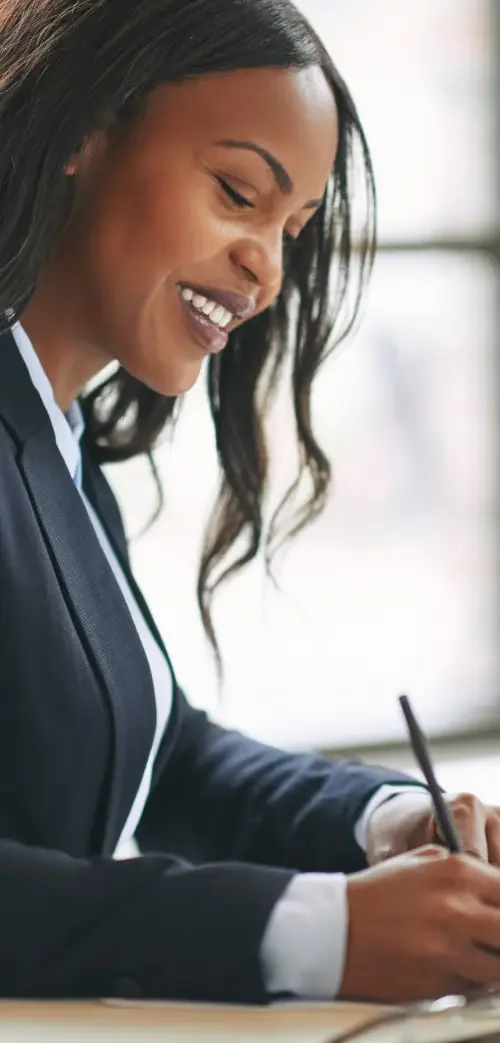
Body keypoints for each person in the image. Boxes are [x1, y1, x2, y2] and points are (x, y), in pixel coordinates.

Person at [0, 0, 499, 1006]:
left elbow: (164, 755)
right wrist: (307, 933)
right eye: (238, 192)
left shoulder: (57, 444)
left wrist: (387, 821)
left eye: (290, 229)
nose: (266, 269)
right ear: (85, 130)